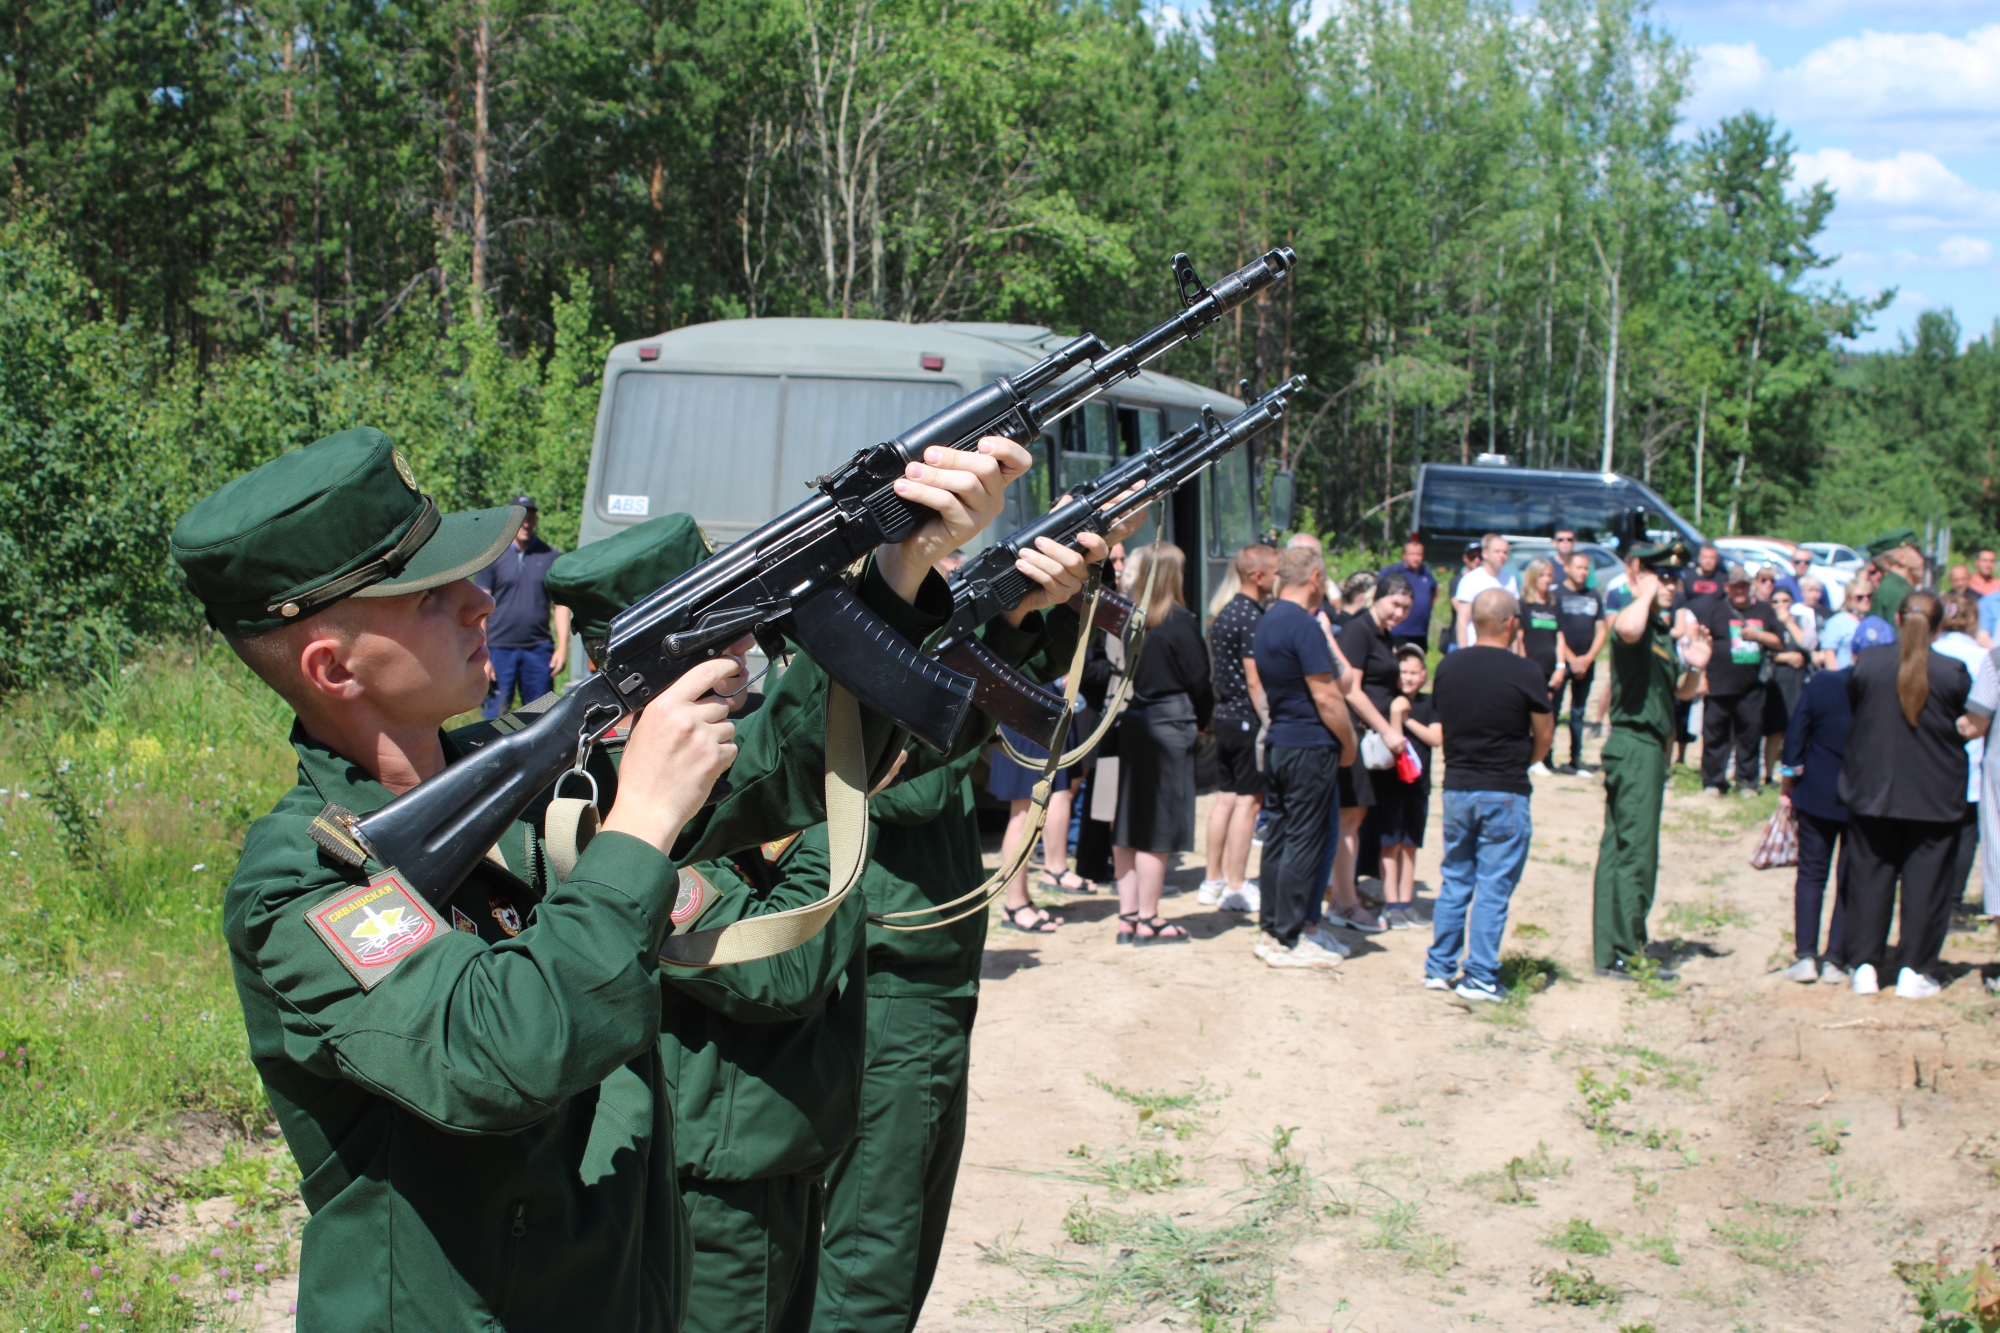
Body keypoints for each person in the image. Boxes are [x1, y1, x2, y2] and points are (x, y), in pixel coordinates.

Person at [168, 424, 1030, 1331]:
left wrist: (897, 568)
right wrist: (642, 824)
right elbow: (501, 1054)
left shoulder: (511, 774)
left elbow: (780, 766)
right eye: (428, 597)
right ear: (332, 667)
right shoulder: (306, 876)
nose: (477, 602)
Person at [1838, 591, 1983, 998]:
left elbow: (1857, 708)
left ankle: (1864, 965)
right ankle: (1913, 969)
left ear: (1897, 621)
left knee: (1869, 879)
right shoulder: (1953, 672)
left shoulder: (1868, 664)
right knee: (1926, 885)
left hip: (1873, 790)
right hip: (1933, 793)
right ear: (1939, 627)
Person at [1423, 589, 1554, 1000]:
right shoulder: (1526, 671)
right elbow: (1545, 734)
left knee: (1456, 881)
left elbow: (1443, 726)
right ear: (1511, 622)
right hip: (1504, 790)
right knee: (1493, 887)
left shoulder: (1447, 667)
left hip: (1458, 787)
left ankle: (1439, 967)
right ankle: (1479, 974)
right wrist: (1523, 762)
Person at [1593, 542, 1714, 981]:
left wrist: (1696, 668)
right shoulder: (1638, 619)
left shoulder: (1661, 631)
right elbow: (1623, 629)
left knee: (1620, 849)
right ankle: (1627, 951)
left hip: (1646, 744)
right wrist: (1641, 592)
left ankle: (1610, 949)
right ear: (1642, 575)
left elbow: (1677, 692)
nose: (1670, 586)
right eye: (1662, 577)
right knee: (1636, 853)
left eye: (1673, 580)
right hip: (1635, 744)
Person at [1250, 545, 1358, 969]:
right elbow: (1328, 697)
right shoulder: (1304, 625)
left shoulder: (1268, 620)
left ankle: (1274, 929)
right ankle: (1289, 937)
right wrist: (1349, 745)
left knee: (1278, 837)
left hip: (1280, 742)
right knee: (1303, 840)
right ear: (1315, 579)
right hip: (1309, 746)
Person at [1111, 543, 1211, 944]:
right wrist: (1204, 724)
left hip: (1134, 719)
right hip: (1170, 723)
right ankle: (1150, 919)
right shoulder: (1181, 623)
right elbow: (1200, 683)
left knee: (1129, 823)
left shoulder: (1132, 620)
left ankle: (1128, 917)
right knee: (1159, 827)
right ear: (1173, 576)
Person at [1777, 647, 1874, 986]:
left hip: (1817, 791)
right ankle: (1835, 958)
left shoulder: (1823, 683)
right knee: (1850, 878)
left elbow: (1796, 734)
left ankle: (1806, 956)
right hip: (1863, 797)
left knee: (1811, 874)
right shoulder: (1882, 689)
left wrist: (1788, 782)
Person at [1332, 574, 1414, 930]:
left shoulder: (1382, 634)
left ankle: (1344, 892)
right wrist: (1386, 730)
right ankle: (1342, 901)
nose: (1399, 613)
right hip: (1357, 735)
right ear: (1376, 598)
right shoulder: (1359, 631)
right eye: (1395, 604)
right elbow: (1351, 689)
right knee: (1348, 819)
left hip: (1372, 739)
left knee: (1356, 818)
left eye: (1406, 608)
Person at [1201, 544, 1277, 912]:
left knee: (1225, 799)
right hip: (1246, 717)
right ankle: (1235, 884)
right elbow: (1254, 678)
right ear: (1258, 576)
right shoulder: (1252, 616)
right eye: (1275, 571)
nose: (1278, 578)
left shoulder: (1226, 611)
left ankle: (1212, 879)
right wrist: (1270, 718)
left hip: (1224, 715)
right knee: (1249, 802)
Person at [472, 495, 571, 718]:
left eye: (531, 516)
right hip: (498, 650)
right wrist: (483, 654)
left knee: (540, 718)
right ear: (512, 521)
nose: (526, 523)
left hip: (538, 650)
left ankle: (540, 754)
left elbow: (561, 605)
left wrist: (562, 648)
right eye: (521, 517)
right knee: (494, 718)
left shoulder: (551, 557)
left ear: (536, 519)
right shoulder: (492, 557)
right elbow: (481, 609)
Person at [1697, 565, 1783, 797]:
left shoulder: (1764, 611)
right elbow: (1701, 642)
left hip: (1752, 687)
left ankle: (1747, 781)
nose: (1740, 590)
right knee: (1715, 735)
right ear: (1727, 588)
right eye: (1735, 586)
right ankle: (1713, 781)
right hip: (1719, 684)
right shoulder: (1715, 610)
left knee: (1749, 735)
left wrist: (1758, 636)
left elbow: (1779, 641)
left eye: (1744, 585)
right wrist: (1701, 675)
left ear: (1750, 586)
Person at [1933, 589, 1986, 910]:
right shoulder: (1984, 658)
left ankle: (1930, 895)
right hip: (1972, 752)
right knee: (1967, 831)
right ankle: (1952, 900)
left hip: (1929, 753)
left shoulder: (1927, 651)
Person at [1381, 644, 1439, 926]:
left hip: (1419, 785)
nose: (1408, 677)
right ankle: (1391, 902)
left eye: (1414, 672)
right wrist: (1395, 714)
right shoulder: (1389, 701)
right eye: (1403, 671)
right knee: (1390, 844)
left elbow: (1436, 738)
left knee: (1410, 845)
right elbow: (1391, 742)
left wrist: (1409, 719)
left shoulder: (1429, 704)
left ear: (1424, 675)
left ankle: (1406, 901)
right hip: (1392, 784)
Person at [1554, 550, 1606, 774]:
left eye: (1586, 568)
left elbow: (1602, 629)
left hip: (1586, 663)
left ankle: (1575, 759)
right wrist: (1571, 659)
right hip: (1561, 662)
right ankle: (1545, 757)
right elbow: (1556, 631)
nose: (1583, 572)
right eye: (1578, 567)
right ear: (1567, 568)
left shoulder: (1594, 596)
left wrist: (1588, 659)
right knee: (1553, 710)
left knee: (1578, 712)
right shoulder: (1556, 595)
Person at [1761, 586, 1812, 784]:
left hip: (1797, 679)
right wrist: (1785, 657)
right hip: (1775, 679)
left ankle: (1789, 774)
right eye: (1776, 601)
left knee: (1794, 728)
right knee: (1774, 730)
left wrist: (1788, 622)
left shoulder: (1800, 621)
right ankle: (1768, 774)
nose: (1780, 605)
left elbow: (1807, 644)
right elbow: (1762, 650)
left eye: (1785, 601)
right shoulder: (1766, 622)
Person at [1518, 557, 1561, 775]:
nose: (1546, 580)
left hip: (1550, 667)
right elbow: (1519, 636)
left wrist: (1561, 665)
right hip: (1531, 666)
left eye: (1549, 575)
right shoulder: (1524, 604)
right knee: (1527, 714)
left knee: (1548, 713)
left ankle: (1542, 757)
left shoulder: (1554, 603)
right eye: (1542, 575)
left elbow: (1559, 635)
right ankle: (1527, 757)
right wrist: (1525, 665)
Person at [1453, 533, 1516, 648]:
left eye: (1505, 552)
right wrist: (1463, 650)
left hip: (1504, 650)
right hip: (1475, 646)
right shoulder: (1470, 580)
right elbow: (1462, 621)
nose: (1501, 555)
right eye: (1497, 551)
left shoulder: (1510, 580)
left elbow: (1515, 619)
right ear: (1485, 553)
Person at [1380, 536, 1438, 653]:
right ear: (1404, 555)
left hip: (1420, 632)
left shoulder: (1426, 573)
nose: (1416, 558)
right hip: (1398, 631)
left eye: (1419, 554)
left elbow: (1435, 590)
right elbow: (1378, 590)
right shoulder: (1393, 571)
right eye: (1412, 554)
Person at [1864, 528, 1921, 621]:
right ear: (1901, 558)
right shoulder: (1894, 592)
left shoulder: (1897, 586)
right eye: (1917, 550)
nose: (1922, 556)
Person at [1439, 540, 1482, 652]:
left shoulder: (1485, 582)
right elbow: (1459, 607)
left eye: (1480, 557)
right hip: (1457, 639)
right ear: (1465, 558)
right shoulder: (1457, 581)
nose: (1477, 560)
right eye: (1472, 557)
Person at [1820, 581, 1872, 669]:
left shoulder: (1871, 622)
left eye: (1869, 596)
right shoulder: (1838, 621)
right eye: (1860, 597)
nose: (1866, 600)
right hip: (1845, 676)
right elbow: (1829, 653)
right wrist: (1835, 678)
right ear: (1849, 598)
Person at [1681, 543, 1725, 610]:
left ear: (1717, 559)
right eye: (1705, 557)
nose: (1708, 561)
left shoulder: (1723, 579)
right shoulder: (1686, 577)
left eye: (1712, 557)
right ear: (1699, 558)